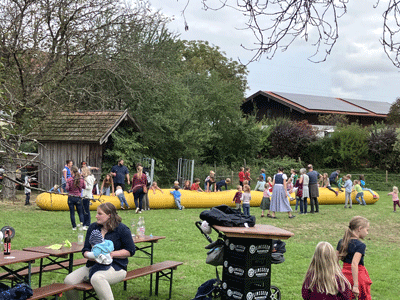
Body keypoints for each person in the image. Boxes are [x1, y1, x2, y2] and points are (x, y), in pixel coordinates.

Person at [64, 202, 136, 300]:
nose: (96, 216)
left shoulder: (122, 229)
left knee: (97, 278)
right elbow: (85, 249)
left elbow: (130, 250)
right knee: (69, 280)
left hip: (117, 267)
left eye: (99, 214)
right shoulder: (93, 227)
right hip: (93, 265)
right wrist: (91, 256)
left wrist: (112, 254)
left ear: (109, 215)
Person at [337, 216, 372, 300]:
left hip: (344, 276)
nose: (367, 233)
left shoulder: (341, 242)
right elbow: (354, 264)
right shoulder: (360, 245)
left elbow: (334, 261)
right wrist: (356, 285)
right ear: (359, 228)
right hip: (358, 277)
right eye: (367, 230)